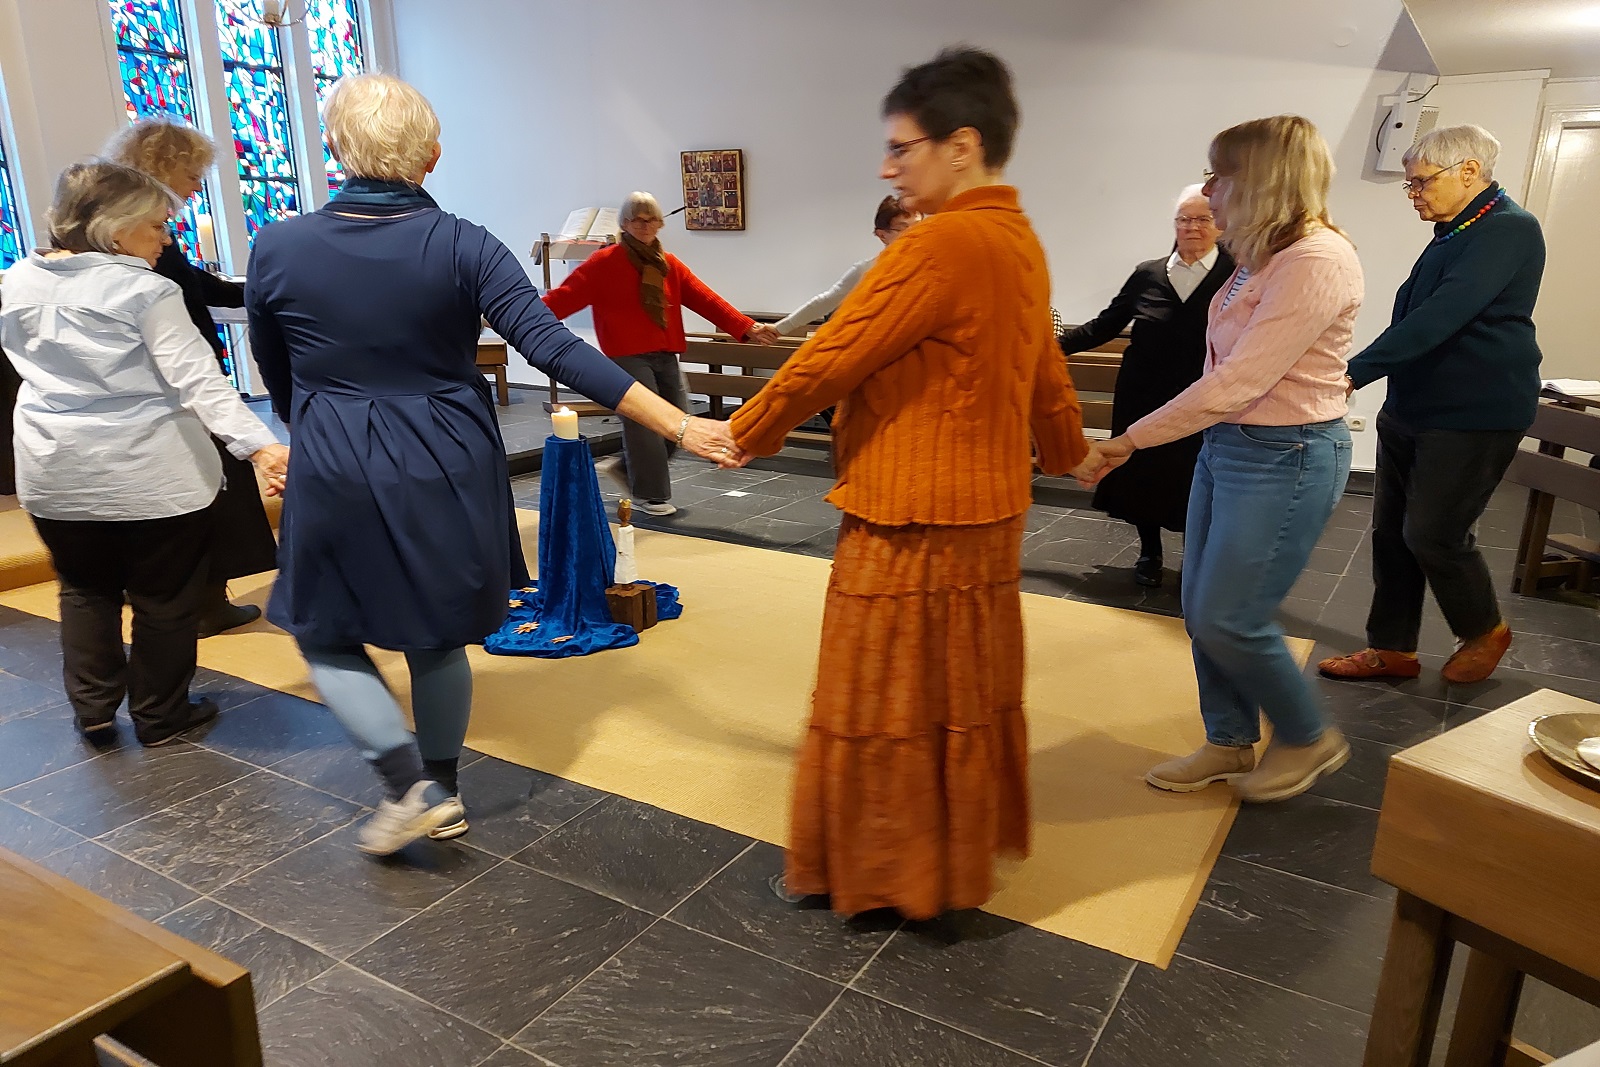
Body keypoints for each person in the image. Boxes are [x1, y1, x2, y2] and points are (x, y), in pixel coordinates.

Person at [246, 74, 741, 857]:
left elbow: (277, 371)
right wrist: (679, 422)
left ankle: (404, 781)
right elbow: (553, 345)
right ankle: (442, 791)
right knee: (436, 635)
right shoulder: (464, 243)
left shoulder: (278, 245)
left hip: (336, 449)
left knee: (323, 629)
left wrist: (301, 435)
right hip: (447, 452)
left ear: (335, 147)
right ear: (432, 156)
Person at [726, 47, 1094, 919]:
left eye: (901, 148)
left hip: (910, 511)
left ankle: (883, 871)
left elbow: (834, 352)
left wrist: (744, 432)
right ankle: (944, 867)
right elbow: (1044, 369)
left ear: (961, 145)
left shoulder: (938, 243)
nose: (888, 168)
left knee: (882, 692)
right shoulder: (1019, 238)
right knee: (956, 691)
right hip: (988, 511)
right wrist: (1069, 449)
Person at [1087, 115, 1363, 803]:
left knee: (1231, 616)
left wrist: (1128, 440)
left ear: (1264, 178)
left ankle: (1307, 735)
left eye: (1221, 174)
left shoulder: (1316, 260)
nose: (1209, 189)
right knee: (1200, 607)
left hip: (1286, 454)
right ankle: (1229, 739)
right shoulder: (1260, 255)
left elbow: (1239, 380)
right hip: (1230, 445)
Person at [0, 162, 288, 745]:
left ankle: (93, 708)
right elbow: (199, 381)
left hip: (54, 468)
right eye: (157, 225)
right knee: (165, 597)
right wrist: (260, 446)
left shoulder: (17, 280)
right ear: (115, 228)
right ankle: (160, 714)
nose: (166, 238)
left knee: (84, 590)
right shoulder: (144, 290)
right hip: (147, 472)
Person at [1318, 125, 1544, 686]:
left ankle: (1484, 629)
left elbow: (1441, 317)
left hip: (1475, 411)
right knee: (1391, 534)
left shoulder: (1508, 228)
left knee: (1433, 533)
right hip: (1414, 404)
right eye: (1410, 185)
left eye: (1421, 182)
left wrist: (1354, 371)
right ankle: (1392, 648)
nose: (1414, 194)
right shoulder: (1454, 229)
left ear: (1469, 171)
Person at [104, 118, 279, 637]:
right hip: (177, 385)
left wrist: (251, 293)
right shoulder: (138, 235)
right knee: (210, 491)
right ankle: (203, 604)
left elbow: (194, 283)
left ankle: (198, 597)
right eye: (193, 175)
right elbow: (182, 291)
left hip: (162, 385)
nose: (197, 187)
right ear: (163, 167)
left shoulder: (134, 227)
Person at [542, 192, 778, 518]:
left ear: (660, 223)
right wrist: (511, 315)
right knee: (646, 425)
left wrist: (747, 327)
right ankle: (649, 494)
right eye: (637, 219)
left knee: (678, 420)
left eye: (650, 219)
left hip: (665, 352)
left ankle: (627, 470)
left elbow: (706, 299)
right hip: (626, 355)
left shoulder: (668, 264)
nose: (644, 225)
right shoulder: (603, 263)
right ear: (624, 224)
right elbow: (562, 298)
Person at [1058, 185, 1234, 587]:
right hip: (1142, 393)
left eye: (1203, 219)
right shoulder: (1148, 274)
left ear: (1220, 226)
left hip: (1200, 396)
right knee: (1143, 474)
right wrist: (1049, 348)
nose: (1192, 227)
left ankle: (1195, 557)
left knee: (1194, 476)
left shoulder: (1235, 274)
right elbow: (1103, 326)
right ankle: (1149, 551)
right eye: (1184, 219)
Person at [771, 196, 918, 337]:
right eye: (904, 229)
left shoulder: (928, 267)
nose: (916, 234)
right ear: (882, 235)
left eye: (919, 226)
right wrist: (780, 328)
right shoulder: (867, 270)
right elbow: (826, 301)